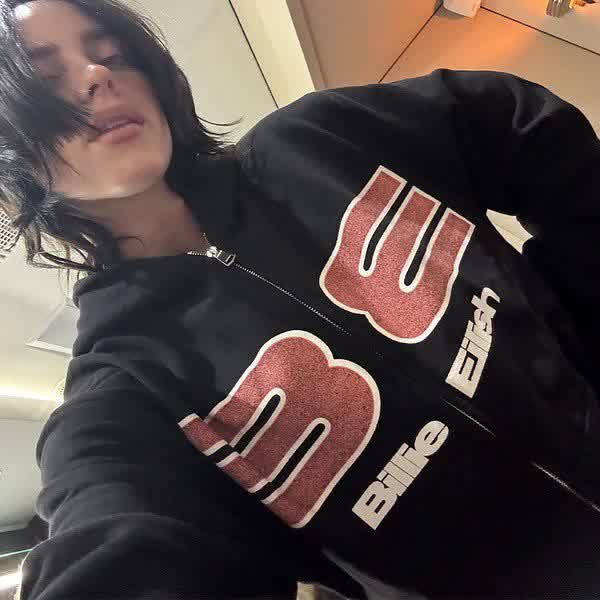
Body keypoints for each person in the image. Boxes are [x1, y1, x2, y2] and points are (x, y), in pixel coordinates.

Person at [2, 0, 600, 598]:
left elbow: (523, 126)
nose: (97, 74)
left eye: (112, 54)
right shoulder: (126, 389)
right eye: (47, 78)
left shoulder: (317, 139)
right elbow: (118, 542)